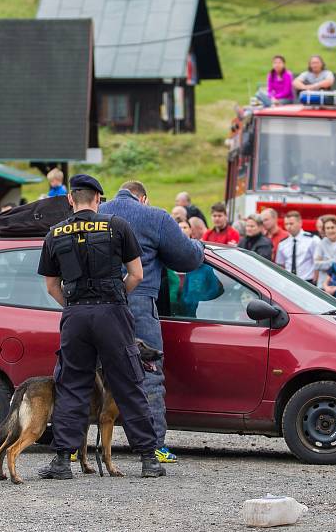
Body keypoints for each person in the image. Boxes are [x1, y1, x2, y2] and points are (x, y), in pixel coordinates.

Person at [36, 174, 165, 480]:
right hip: (112, 313)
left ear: (71, 199)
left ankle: (62, 462)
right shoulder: (118, 226)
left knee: (72, 385)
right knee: (129, 382)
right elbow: (136, 274)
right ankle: (148, 459)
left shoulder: (55, 233)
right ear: (98, 199)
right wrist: (116, 297)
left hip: (76, 314)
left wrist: (73, 306)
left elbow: (52, 286)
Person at [99, 181, 204, 464]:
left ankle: (71, 446)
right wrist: (199, 245)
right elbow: (188, 258)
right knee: (149, 371)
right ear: (143, 198)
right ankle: (153, 445)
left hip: (95, 302)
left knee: (87, 371)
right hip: (139, 301)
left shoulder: (97, 211)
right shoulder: (154, 217)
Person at [275, 211, 320, 283]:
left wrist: (316, 279)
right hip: (289, 281)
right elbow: (280, 264)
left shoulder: (312, 240)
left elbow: (318, 262)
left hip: (307, 281)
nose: (289, 226)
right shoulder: (283, 243)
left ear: (300, 223)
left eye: (291, 223)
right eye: (286, 224)